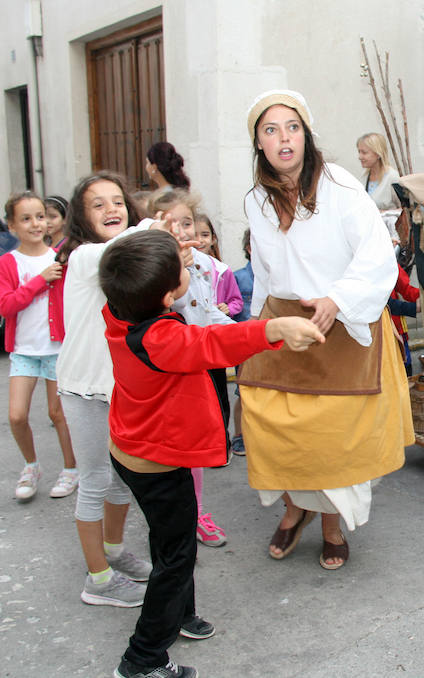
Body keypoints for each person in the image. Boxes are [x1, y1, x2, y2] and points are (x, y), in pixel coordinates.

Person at [99, 229, 324, 678]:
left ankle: (180, 615)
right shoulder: (161, 338)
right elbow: (213, 344)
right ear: (167, 294)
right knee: (177, 556)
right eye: (182, 269)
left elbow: (139, 278)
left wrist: (166, 261)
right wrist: (275, 328)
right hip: (158, 464)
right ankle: (143, 659)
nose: (191, 267)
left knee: (168, 543)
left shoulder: (118, 308)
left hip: (130, 449)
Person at [241, 89, 412, 568]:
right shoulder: (257, 198)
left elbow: (377, 250)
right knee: (277, 426)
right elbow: (264, 267)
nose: (283, 138)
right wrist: (259, 324)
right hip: (284, 320)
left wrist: (338, 300)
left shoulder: (337, 182)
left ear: (306, 134)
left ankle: (332, 521)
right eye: (270, 130)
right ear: (258, 143)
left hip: (340, 319)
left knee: (337, 435)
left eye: (291, 127)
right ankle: (296, 509)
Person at [56, 171, 152, 607]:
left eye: (117, 201)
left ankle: (112, 551)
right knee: (94, 482)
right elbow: (125, 250)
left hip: (118, 389)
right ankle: (97, 579)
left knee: (120, 481)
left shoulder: (128, 256)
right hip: (83, 389)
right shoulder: (85, 257)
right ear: (81, 218)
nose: (111, 208)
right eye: (98, 204)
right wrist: (157, 227)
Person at [147, 189, 233, 546]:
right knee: (161, 451)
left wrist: (252, 335)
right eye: (170, 224)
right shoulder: (146, 262)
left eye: (186, 223)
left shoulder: (199, 264)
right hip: (157, 372)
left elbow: (205, 313)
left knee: (192, 446)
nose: (181, 231)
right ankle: (169, 521)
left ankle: (196, 513)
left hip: (191, 367)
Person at [0, 192, 77, 501]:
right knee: (17, 416)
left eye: (40, 216)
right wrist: (39, 281)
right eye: (26, 218)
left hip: (56, 349)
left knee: (58, 414)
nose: (35, 224)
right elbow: (6, 305)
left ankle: (71, 469)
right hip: (23, 351)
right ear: (12, 226)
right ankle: (31, 466)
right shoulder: (8, 262)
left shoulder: (61, 258)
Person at [230, 229, 253, 456]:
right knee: (243, 393)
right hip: (246, 345)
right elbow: (233, 307)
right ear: (249, 249)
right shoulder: (239, 277)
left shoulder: (278, 275)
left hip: (272, 343)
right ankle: (239, 435)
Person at [194, 213, 243, 319]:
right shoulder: (181, 269)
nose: (199, 240)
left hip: (217, 325)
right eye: (194, 235)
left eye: (205, 235)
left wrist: (228, 309)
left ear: (213, 239)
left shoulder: (222, 270)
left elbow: (237, 301)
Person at [357, 132, 402, 242]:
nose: (360, 157)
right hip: (369, 235)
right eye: (359, 152)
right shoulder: (364, 177)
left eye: (364, 152)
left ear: (377, 154)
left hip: (389, 238)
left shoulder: (392, 177)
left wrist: (383, 213)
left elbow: (404, 209)